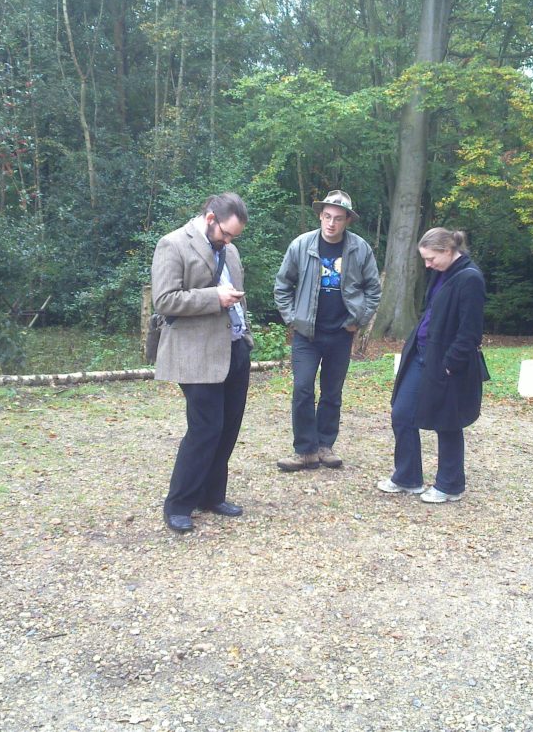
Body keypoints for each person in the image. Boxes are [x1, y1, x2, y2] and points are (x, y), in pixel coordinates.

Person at [151, 192, 254, 533]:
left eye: (234, 237)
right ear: (210, 218)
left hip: (235, 348)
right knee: (204, 429)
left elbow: (236, 295)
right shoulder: (173, 244)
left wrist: (246, 337)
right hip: (195, 354)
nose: (229, 241)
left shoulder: (232, 249)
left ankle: (212, 495)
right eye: (226, 233)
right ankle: (179, 503)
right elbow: (165, 300)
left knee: (227, 429)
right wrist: (215, 298)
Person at [273, 190, 382, 471]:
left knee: (332, 392)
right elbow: (283, 285)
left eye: (338, 218)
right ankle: (305, 450)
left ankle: (325, 446)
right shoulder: (301, 245)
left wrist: (359, 318)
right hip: (307, 334)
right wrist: (291, 318)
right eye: (327, 217)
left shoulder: (360, 249)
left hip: (341, 333)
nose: (332, 223)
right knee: (302, 388)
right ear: (320, 216)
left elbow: (373, 289)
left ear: (347, 220)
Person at [377, 227, 487, 503]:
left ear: (448, 251)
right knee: (401, 412)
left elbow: (470, 331)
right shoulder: (442, 273)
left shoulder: (470, 279)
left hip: (448, 361)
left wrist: (451, 364)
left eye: (431, 259)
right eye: (425, 259)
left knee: (447, 421)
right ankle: (408, 477)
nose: (427, 265)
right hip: (422, 353)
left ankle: (450, 485)